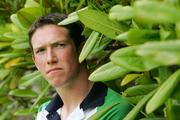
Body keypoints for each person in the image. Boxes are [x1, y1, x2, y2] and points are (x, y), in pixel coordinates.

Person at [28, 13, 132, 120]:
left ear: (82, 50)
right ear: (35, 62)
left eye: (60, 45)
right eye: (41, 50)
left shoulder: (116, 109)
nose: (50, 59)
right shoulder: (43, 113)